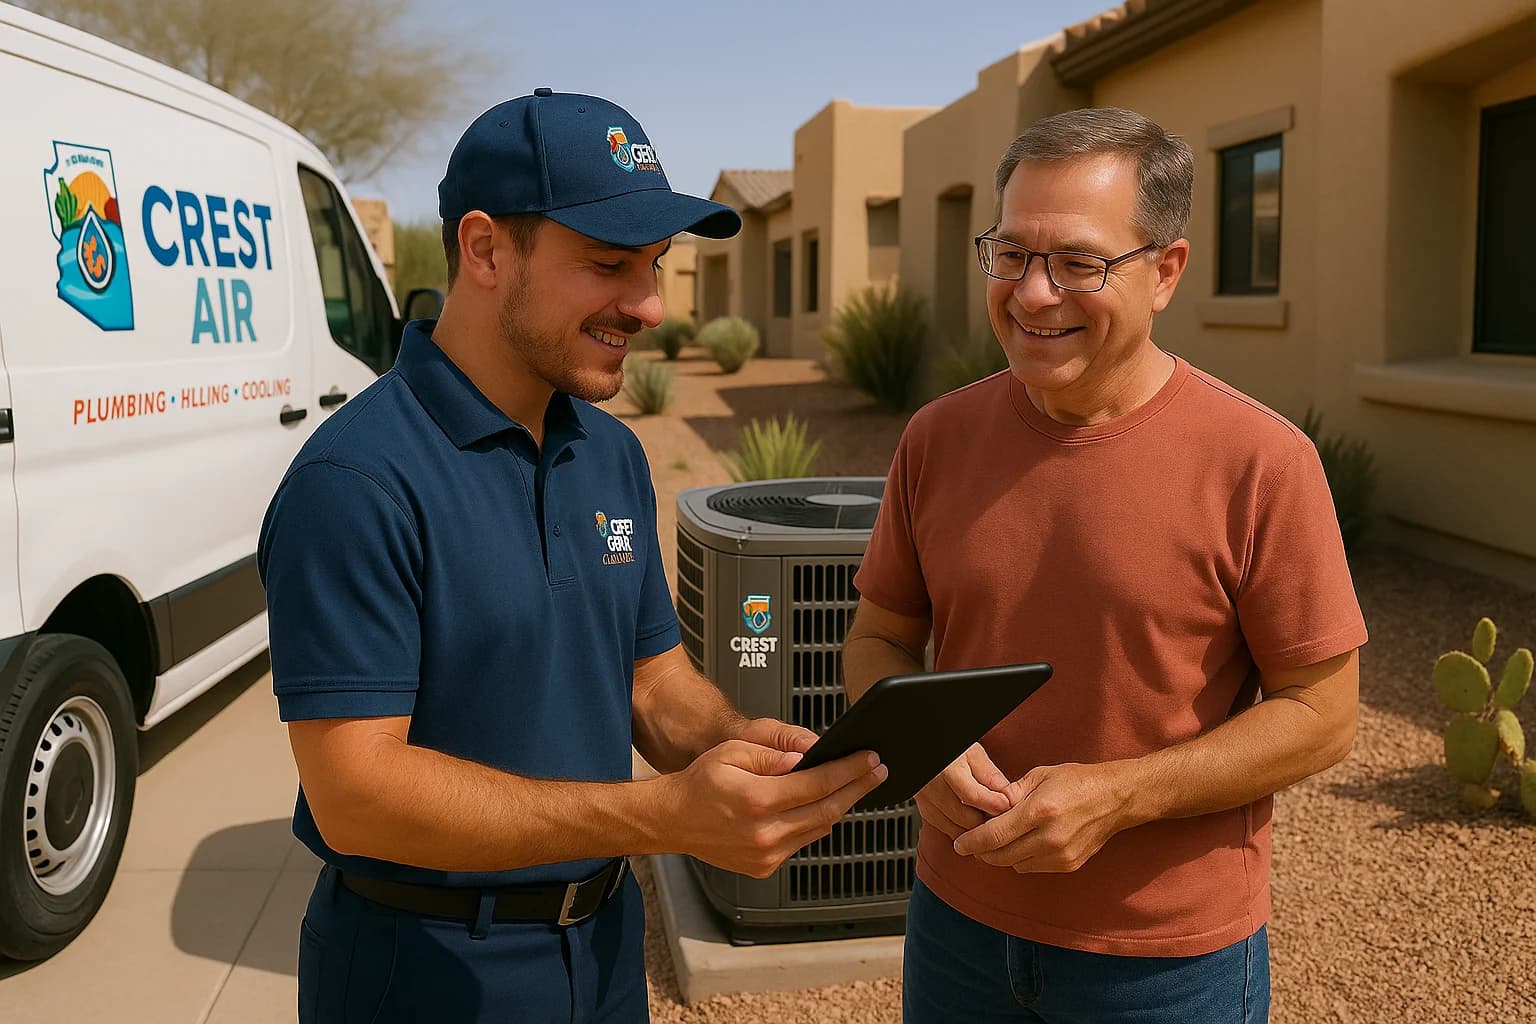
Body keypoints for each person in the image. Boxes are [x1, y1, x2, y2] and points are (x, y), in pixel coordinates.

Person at [258, 89, 886, 1024]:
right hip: (422, 973)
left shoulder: (611, 452)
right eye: (606, 264)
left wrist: (733, 747)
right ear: (484, 250)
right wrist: (664, 815)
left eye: (656, 265)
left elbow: (650, 682)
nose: (648, 306)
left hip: (600, 954)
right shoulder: (355, 481)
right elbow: (357, 795)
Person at [843, 106, 1367, 1024]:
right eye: (1010, 255)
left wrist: (1121, 795)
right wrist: (919, 756)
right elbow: (879, 640)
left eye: (1078, 263)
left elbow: (1323, 717)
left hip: (1164, 964)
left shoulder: (1262, 463)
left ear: (1165, 271)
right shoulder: (937, 438)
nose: (1033, 293)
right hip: (955, 923)